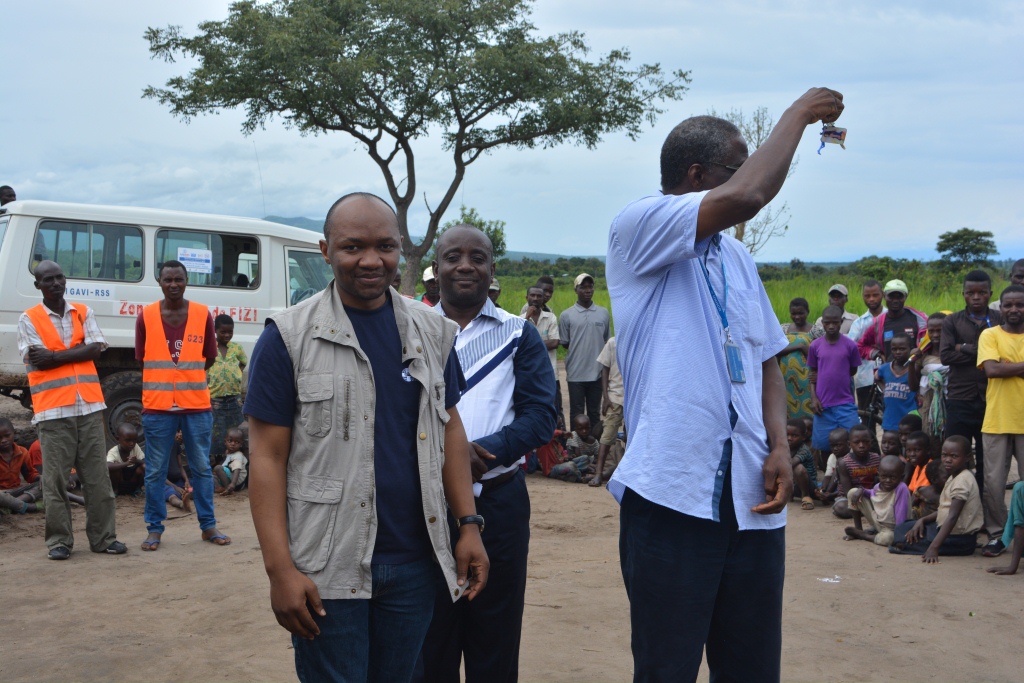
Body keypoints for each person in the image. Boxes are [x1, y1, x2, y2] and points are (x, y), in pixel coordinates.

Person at [606, 86, 844, 682]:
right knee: (667, 667)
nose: (748, 178)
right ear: (695, 174)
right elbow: (750, 194)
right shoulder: (640, 225)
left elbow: (764, 357)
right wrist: (797, 115)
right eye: (735, 166)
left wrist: (780, 445)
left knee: (752, 666)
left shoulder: (735, 260)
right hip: (671, 493)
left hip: (750, 495)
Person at [244, 193, 489, 683]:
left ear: (400, 249)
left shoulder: (432, 332)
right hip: (326, 567)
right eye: (353, 247)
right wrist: (280, 572)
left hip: (416, 563)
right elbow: (267, 458)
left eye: (385, 246)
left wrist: (468, 525)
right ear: (325, 250)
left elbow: (451, 427)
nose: (371, 260)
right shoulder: (288, 338)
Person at [419, 223, 555, 683]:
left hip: (499, 503)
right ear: (435, 270)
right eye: (453, 257)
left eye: (477, 257)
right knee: (428, 639)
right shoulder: (412, 332)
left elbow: (540, 416)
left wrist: (486, 452)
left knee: (493, 637)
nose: (465, 266)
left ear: (491, 269)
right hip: (424, 506)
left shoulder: (520, 335)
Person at [18, 260, 124, 559]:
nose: (55, 283)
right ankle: (59, 542)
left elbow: (96, 349)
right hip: (53, 412)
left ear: (66, 280)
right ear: (38, 285)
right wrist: (77, 352)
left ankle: (104, 539)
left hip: (89, 407)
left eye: (59, 277)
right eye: (47, 279)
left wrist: (56, 355)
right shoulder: (29, 318)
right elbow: (39, 360)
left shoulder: (83, 311)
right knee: (55, 482)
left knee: (97, 479)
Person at [136, 260, 229, 551]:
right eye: (168, 280)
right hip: (158, 407)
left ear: (187, 281)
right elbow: (142, 359)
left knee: (202, 468)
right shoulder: (146, 316)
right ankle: (154, 528)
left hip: (195, 405)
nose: (173, 284)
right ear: (159, 282)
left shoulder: (203, 315)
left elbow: (209, 357)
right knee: (154, 471)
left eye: (179, 279)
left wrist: (185, 378)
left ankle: (208, 525)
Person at [940, 270, 1000, 500]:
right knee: (956, 457)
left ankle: (986, 509)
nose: (976, 297)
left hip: (991, 399)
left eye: (982, 293)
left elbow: (1002, 356)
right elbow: (945, 355)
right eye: (971, 293)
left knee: (988, 459)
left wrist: (962, 347)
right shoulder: (951, 321)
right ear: (963, 294)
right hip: (959, 399)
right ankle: (955, 505)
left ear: (990, 294)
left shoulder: (999, 319)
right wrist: (982, 355)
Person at [976, 284, 1024, 556]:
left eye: (1020, 305)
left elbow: (999, 367)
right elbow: (992, 370)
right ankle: (998, 535)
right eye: (1009, 305)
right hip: (997, 419)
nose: (1014, 310)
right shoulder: (990, 334)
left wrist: (1008, 366)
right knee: (993, 484)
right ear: (1000, 307)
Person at [892, 436, 982, 561]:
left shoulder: (962, 481)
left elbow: (952, 516)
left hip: (958, 539)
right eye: (944, 455)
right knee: (904, 527)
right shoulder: (954, 475)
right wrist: (923, 520)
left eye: (954, 456)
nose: (948, 460)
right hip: (946, 530)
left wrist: (934, 548)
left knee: (901, 542)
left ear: (967, 457)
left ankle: (927, 545)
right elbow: (945, 509)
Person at [559, 273, 610, 435]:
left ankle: (594, 447)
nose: (588, 290)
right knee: (577, 412)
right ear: (576, 290)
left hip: (597, 373)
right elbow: (566, 342)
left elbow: (606, 342)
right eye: (583, 287)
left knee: (595, 412)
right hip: (576, 373)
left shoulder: (603, 313)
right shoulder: (566, 315)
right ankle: (576, 449)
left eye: (590, 287)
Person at [808, 305, 861, 453]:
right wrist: (813, 398)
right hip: (822, 405)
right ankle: (827, 474)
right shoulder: (815, 346)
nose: (831, 326)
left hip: (845, 403)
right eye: (827, 322)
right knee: (823, 446)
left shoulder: (850, 345)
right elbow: (812, 374)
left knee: (854, 441)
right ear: (822, 323)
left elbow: (852, 370)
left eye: (835, 322)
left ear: (840, 322)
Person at [857, 279, 928, 364]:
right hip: (890, 373)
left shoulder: (919, 320)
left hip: (914, 373)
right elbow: (860, 346)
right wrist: (877, 354)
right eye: (891, 296)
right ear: (884, 296)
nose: (895, 300)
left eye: (899, 296)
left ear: (906, 296)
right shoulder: (878, 324)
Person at [208, 314, 248, 464]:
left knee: (236, 429)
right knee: (216, 431)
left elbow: (244, 361)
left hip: (234, 400)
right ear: (215, 330)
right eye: (223, 332)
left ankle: (236, 461)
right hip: (216, 399)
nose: (227, 335)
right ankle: (217, 461)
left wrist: (237, 373)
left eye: (230, 332)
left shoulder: (236, 348)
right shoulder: (210, 347)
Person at [844, 455, 910, 545]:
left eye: (893, 478)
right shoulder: (878, 486)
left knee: (888, 539)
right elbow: (872, 493)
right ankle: (858, 529)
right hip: (877, 522)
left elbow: (901, 516)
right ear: (878, 474)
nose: (887, 480)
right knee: (853, 492)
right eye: (884, 477)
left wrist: (899, 537)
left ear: (901, 477)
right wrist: (861, 490)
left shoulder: (901, 488)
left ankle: (862, 535)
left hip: (892, 529)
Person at [520, 284, 560, 423]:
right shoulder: (519, 320)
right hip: (528, 373)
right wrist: (527, 317)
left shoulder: (551, 318)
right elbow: (517, 341)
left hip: (549, 373)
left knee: (554, 410)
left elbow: (555, 342)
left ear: (543, 299)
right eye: (532, 295)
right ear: (527, 297)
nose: (535, 299)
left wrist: (530, 344)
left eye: (539, 296)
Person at [778, 297, 823, 420]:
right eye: (794, 313)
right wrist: (800, 346)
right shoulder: (783, 329)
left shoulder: (816, 331)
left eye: (801, 313)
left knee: (809, 411)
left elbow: (821, 356)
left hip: (807, 380)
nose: (797, 317)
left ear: (807, 312)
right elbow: (775, 351)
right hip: (786, 378)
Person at [590, 335, 624, 486]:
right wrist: (606, 396)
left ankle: (626, 474)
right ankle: (598, 473)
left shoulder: (641, 340)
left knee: (632, 437)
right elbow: (605, 369)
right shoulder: (613, 342)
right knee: (607, 435)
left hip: (635, 398)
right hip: (615, 395)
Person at [848, 280, 886, 412]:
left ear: (883, 294)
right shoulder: (859, 323)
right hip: (864, 378)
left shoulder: (890, 318)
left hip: (889, 378)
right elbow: (850, 348)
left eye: (875, 295)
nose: (871, 299)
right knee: (866, 419)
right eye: (867, 296)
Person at [833, 424, 881, 519]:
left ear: (871, 443)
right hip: (850, 498)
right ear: (849, 444)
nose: (861, 445)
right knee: (841, 507)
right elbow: (848, 492)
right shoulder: (844, 463)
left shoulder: (876, 459)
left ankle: (865, 511)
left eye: (865, 442)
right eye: (857, 442)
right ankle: (869, 511)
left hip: (870, 495)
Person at [876, 333, 920, 432]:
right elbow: (877, 378)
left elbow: (915, 386)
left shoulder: (913, 369)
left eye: (902, 349)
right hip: (890, 421)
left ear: (911, 349)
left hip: (909, 420)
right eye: (894, 349)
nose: (898, 352)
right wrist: (884, 389)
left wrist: (912, 363)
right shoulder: (885, 368)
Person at [917, 312, 949, 438]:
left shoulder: (953, 352)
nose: (935, 335)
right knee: (930, 438)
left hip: (950, 401)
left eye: (940, 331)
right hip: (928, 404)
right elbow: (913, 385)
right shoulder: (923, 354)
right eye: (931, 331)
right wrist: (912, 363)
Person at [0, 418, 42, 514]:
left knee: (45, 484)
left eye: (7, 436)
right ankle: (28, 507)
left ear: (13, 433)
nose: (3, 440)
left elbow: (29, 475)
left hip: (17, 491)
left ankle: (9, 507)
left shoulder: (22, 452)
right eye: (0, 438)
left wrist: (39, 477)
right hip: (1, 493)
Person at [986, 481, 1024, 574]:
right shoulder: (1021, 488)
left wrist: (1013, 567)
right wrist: (1012, 567)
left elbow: (1020, 526)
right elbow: (1020, 525)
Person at [549, 415, 599, 483]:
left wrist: (567, 457)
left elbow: (563, 456)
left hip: (563, 464)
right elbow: (548, 433)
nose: (561, 429)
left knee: (585, 458)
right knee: (571, 466)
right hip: (552, 469)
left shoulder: (558, 443)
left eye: (561, 427)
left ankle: (580, 472)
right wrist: (562, 433)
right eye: (559, 427)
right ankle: (580, 478)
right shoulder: (547, 440)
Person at [106, 423, 146, 496]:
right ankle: (115, 490)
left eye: (134, 440)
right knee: (115, 469)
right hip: (120, 482)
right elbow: (107, 466)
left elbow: (145, 462)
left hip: (132, 481)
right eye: (128, 440)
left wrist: (136, 461)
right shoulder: (113, 451)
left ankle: (138, 489)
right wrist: (126, 463)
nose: (132, 443)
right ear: (118, 439)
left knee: (144, 466)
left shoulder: (135, 447)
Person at [787, 419, 817, 511]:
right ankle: (788, 496)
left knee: (798, 468)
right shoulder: (784, 447)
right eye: (787, 434)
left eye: (794, 435)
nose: (789, 438)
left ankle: (805, 496)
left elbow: (791, 464)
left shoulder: (804, 449)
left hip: (809, 486)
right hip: (793, 485)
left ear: (803, 437)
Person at [814, 427, 849, 505]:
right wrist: (823, 490)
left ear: (848, 443)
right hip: (837, 486)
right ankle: (825, 495)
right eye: (832, 446)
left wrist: (830, 494)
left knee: (839, 465)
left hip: (849, 487)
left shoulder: (852, 456)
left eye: (839, 445)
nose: (835, 449)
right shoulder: (832, 457)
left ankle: (829, 495)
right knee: (817, 488)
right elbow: (827, 476)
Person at [214, 427, 248, 495]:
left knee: (218, 468)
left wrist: (233, 484)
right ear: (225, 442)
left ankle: (228, 489)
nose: (233, 444)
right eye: (230, 441)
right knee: (210, 476)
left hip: (237, 482)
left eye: (237, 442)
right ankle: (220, 487)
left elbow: (237, 469)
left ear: (241, 444)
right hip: (229, 478)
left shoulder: (238, 455)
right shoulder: (228, 453)